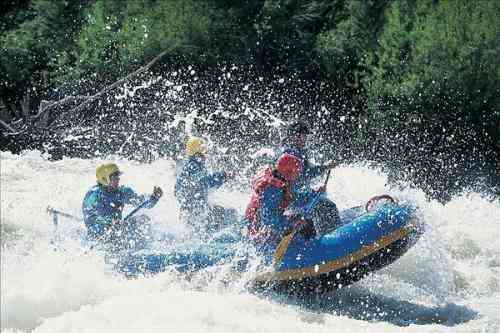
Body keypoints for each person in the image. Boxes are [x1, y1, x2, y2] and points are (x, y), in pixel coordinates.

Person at [244, 153, 316, 257]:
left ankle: (306, 249)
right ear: (288, 172)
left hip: (268, 224)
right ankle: (310, 253)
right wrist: (290, 226)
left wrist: (313, 194)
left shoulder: (282, 183)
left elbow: (294, 198)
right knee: (305, 224)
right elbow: (270, 220)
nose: (298, 175)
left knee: (303, 221)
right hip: (258, 229)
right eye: (297, 172)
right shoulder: (272, 190)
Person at [82, 162, 163, 251]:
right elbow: (90, 216)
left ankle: (144, 249)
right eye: (114, 177)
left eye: (118, 176)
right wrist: (109, 222)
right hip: (99, 235)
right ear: (104, 179)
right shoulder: (94, 195)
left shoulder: (122, 192)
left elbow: (141, 202)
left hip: (117, 230)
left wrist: (154, 198)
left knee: (143, 219)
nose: (118, 179)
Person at [279, 119, 339, 234]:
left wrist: (325, 167)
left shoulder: (297, 152)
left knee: (323, 204)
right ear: (294, 136)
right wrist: (314, 193)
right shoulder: (290, 154)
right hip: (291, 199)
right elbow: (302, 177)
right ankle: (333, 237)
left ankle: (325, 231)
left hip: (294, 198)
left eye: (305, 136)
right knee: (327, 205)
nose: (304, 139)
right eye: (302, 136)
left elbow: (306, 174)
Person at [175, 136, 235, 234]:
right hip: (195, 213)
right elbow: (204, 182)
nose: (206, 156)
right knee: (229, 214)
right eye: (204, 153)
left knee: (220, 211)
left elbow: (179, 190)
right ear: (198, 154)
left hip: (191, 211)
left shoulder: (190, 167)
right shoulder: (193, 167)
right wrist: (222, 176)